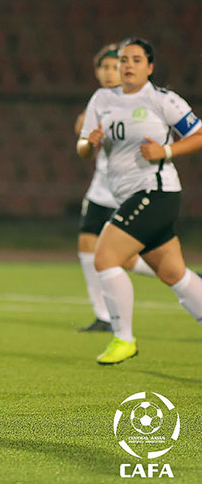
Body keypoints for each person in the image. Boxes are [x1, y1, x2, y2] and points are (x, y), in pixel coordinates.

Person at [77, 37, 202, 364]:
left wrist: (167, 151)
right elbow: (83, 147)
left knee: (104, 257)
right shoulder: (102, 99)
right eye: (124, 60)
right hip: (128, 196)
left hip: (156, 192)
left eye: (135, 60)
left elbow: (199, 134)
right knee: (173, 273)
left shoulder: (162, 99)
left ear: (150, 67)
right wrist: (90, 144)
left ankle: (123, 338)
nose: (128, 65)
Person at [74, 44, 157, 333]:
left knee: (124, 257)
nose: (110, 73)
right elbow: (81, 130)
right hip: (100, 187)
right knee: (87, 245)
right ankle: (103, 315)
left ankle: (182, 277)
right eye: (105, 67)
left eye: (115, 66)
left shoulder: (137, 101)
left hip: (127, 188)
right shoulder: (100, 100)